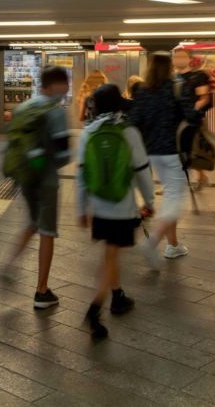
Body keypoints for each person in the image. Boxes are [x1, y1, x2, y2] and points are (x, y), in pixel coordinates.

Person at [77, 84, 155, 339]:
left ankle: (118, 295)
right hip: (122, 205)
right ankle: (95, 307)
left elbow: (81, 174)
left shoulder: (88, 132)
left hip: (99, 205)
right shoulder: (128, 131)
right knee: (111, 255)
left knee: (111, 252)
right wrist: (150, 200)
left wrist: (81, 207)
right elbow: (142, 168)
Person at [0, 66, 71, 309]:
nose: (67, 88)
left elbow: (11, 140)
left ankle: (8, 265)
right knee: (47, 231)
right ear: (54, 86)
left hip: (25, 178)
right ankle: (42, 290)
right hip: (46, 180)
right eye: (64, 83)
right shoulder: (55, 111)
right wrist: (51, 159)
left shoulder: (23, 107)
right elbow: (63, 155)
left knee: (32, 223)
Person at [130, 52, 200, 267]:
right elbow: (192, 116)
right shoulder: (177, 87)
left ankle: (173, 245)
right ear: (169, 66)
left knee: (170, 195)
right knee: (174, 200)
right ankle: (152, 242)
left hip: (152, 153)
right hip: (174, 152)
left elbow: (134, 120)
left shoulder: (142, 91)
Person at [173, 48, 213, 190]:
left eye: (182, 56)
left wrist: (193, 111)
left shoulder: (198, 77)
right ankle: (182, 181)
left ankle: (199, 177)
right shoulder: (173, 79)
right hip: (177, 121)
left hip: (192, 121)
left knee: (191, 152)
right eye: (176, 57)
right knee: (179, 153)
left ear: (190, 59)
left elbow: (204, 98)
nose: (178, 59)